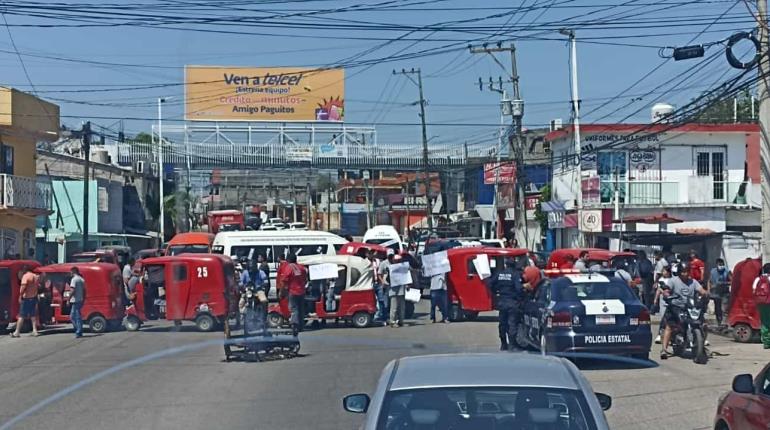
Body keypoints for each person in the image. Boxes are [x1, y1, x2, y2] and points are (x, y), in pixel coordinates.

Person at [660, 262, 708, 359]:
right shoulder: (673, 281)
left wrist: (706, 294)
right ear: (679, 272)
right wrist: (666, 294)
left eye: (686, 272)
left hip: (690, 308)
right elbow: (667, 290)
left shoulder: (693, 282)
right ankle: (664, 349)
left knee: (704, 324)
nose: (684, 274)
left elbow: (702, 290)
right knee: (669, 326)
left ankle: (700, 345)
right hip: (675, 307)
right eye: (682, 272)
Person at [490, 259, 525, 351]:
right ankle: (512, 345)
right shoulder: (515, 275)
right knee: (512, 324)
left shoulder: (499, 274)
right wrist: (520, 297)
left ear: (505, 265)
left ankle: (503, 344)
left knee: (502, 324)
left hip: (502, 302)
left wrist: (496, 291)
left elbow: (490, 283)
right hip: (512, 303)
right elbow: (519, 289)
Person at [277, 254, 307, 336]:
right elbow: (305, 279)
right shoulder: (301, 267)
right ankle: (301, 326)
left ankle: (294, 325)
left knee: (294, 309)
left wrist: (281, 292)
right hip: (301, 291)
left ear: (288, 260)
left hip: (293, 291)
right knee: (301, 309)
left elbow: (284, 281)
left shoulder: (289, 268)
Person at [10, 265, 40, 338]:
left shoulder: (25, 276)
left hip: (26, 298)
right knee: (33, 315)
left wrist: (20, 295)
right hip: (34, 297)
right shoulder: (35, 276)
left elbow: (23, 287)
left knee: (21, 315)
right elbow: (38, 286)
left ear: (24, 270)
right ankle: (35, 331)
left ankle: (17, 332)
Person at [707, 258, 732, 328]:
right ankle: (719, 322)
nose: (721, 266)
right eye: (719, 265)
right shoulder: (713, 271)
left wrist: (724, 283)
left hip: (724, 293)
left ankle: (725, 322)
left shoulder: (727, 271)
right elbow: (709, 281)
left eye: (722, 264)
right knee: (717, 309)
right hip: (715, 293)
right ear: (717, 265)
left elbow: (732, 281)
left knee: (724, 308)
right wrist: (708, 290)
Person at [653, 266, 673, 344]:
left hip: (671, 301)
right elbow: (658, 290)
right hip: (663, 302)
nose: (663, 272)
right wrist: (656, 299)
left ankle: (670, 337)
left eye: (664, 271)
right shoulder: (661, 280)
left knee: (670, 319)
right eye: (663, 271)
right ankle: (659, 334)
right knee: (663, 318)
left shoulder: (672, 280)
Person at [751, 263, 770, 349]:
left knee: (764, 322)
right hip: (769, 302)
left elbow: (753, 290)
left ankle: (766, 342)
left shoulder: (758, 279)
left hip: (760, 303)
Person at [368, 250, 387, 322]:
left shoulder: (378, 261)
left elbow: (381, 271)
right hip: (370, 284)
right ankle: (373, 316)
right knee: (372, 301)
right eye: (370, 253)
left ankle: (383, 316)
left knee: (381, 300)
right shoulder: (365, 262)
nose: (373, 254)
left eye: (373, 253)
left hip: (378, 283)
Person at [69, 266, 86, 338]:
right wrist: (84, 298)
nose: (70, 273)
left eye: (70, 272)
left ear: (73, 272)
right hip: (80, 299)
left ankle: (78, 330)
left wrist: (68, 298)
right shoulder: (82, 279)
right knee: (77, 316)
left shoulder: (74, 280)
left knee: (73, 316)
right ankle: (79, 330)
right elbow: (85, 291)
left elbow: (72, 290)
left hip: (75, 300)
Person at [377, 250, 394, 324]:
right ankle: (384, 319)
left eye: (391, 255)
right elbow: (379, 274)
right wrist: (382, 282)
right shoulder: (383, 263)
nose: (390, 257)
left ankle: (392, 318)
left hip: (394, 285)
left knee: (392, 304)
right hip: (386, 285)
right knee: (385, 303)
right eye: (389, 255)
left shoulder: (396, 262)